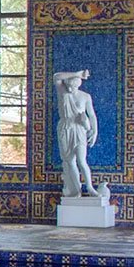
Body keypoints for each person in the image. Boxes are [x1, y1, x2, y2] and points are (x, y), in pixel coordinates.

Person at [54, 70, 98, 198]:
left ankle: (90, 187)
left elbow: (92, 115)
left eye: (72, 87)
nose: (69, 89)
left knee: (81, 160)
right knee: (70, 161)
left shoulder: (85, 96)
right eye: (68, 86)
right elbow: (56, 76)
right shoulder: (63, 92)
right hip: (65, 128)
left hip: (79, 129)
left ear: (78, 85)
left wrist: (94, 131)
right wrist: (77, 74)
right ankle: (76, 190)